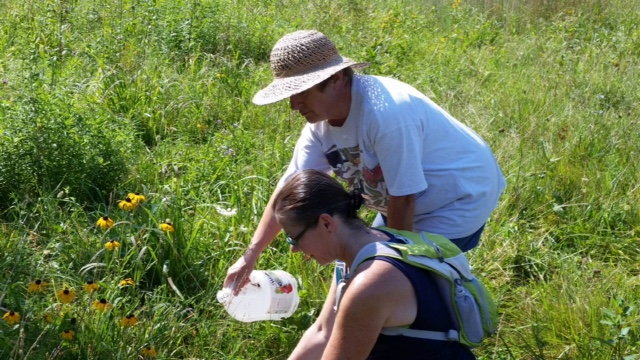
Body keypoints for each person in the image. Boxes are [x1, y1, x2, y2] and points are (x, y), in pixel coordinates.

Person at [224, 29, 505, 293]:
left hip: (458, 198)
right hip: (402, 198)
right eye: (289, 94)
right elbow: (289, 189)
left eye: (301, 92)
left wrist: (387, 269)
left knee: (401, 284)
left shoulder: (386, 116)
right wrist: (251, 255)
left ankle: (450, 312)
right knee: (357, 273)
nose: (293, 105)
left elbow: (404, 199)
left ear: (336, 79)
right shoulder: (320, 126)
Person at [273, 169, 476, 359]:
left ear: (326, 223)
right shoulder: (368, 247)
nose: (294, 249)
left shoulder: (370, 283)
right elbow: (322, 332)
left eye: (294, 238)